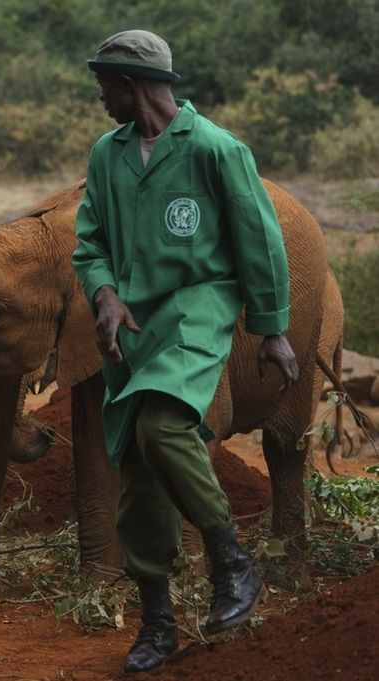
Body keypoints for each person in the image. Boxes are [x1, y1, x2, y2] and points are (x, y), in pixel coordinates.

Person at [71, 30, 298, 673]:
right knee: (139, 471)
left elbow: (260, 237)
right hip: (133, 327)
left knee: (162, 426)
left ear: (129, 85)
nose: (100, 99)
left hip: (199, 307)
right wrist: (106, 294)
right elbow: (88, 243)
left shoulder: (216, 149)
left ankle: (231, 561)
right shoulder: (107, 154)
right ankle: (158, 622)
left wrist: (274, 327)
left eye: (103, 87)